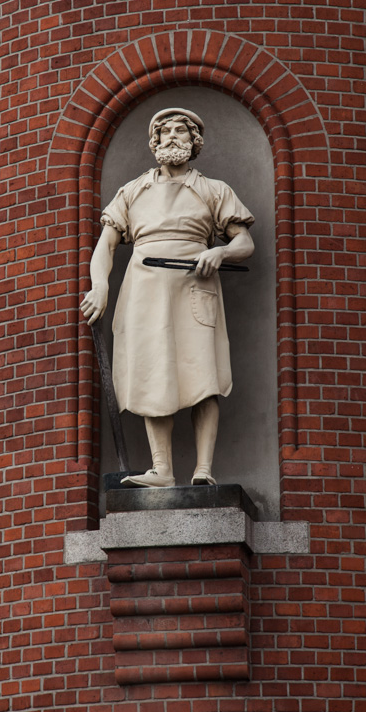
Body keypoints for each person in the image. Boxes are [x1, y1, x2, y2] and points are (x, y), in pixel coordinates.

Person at [81, 107, 255, 487]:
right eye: (165, 132)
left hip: (196, 287)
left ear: (194, 142)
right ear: (155, 142)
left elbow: (244, 241)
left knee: (202, 373)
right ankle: (162, 470)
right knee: (152, 372)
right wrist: (101, 286)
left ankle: (203, 469)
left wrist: (219, 252)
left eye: (181, 131)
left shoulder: (214, 190)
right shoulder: (132, 190)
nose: (172, 137)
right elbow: (105, 245)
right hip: (144, 289)